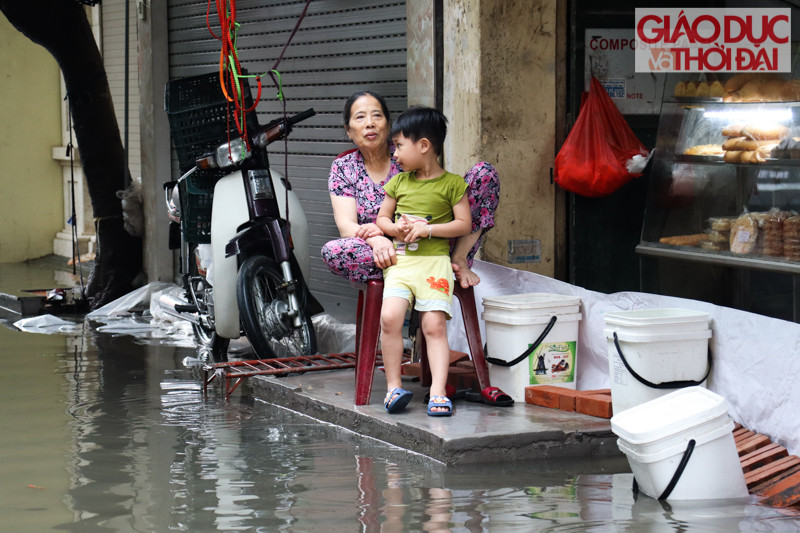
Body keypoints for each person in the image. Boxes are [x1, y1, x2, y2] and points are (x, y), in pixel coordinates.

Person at [321, 90, 513, 408]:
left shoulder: (409, 155)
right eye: (360, 117)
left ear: (389, 124)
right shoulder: (345, 167)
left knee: (483, 175)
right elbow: (347, 227)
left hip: (436, 242)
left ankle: (459, 258)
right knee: (335, 249)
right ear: (348, 129)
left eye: (377, 115)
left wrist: (426, 229)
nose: (369, 123)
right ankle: (395, 384)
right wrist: (379, 238)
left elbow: (441, 197)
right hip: (381, 250)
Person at [376, 106, 470, 416]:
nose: (395, 154)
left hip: (434, 265)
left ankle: (439, 392)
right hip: (402, 263)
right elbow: (382, 219)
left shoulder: (453, 184)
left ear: (424, 146)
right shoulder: (399, 183)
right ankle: (393, 388)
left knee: (433, 326)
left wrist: (427, 229)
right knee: (390, 318)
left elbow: (463, 225)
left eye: (400, 146)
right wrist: (396, 229)